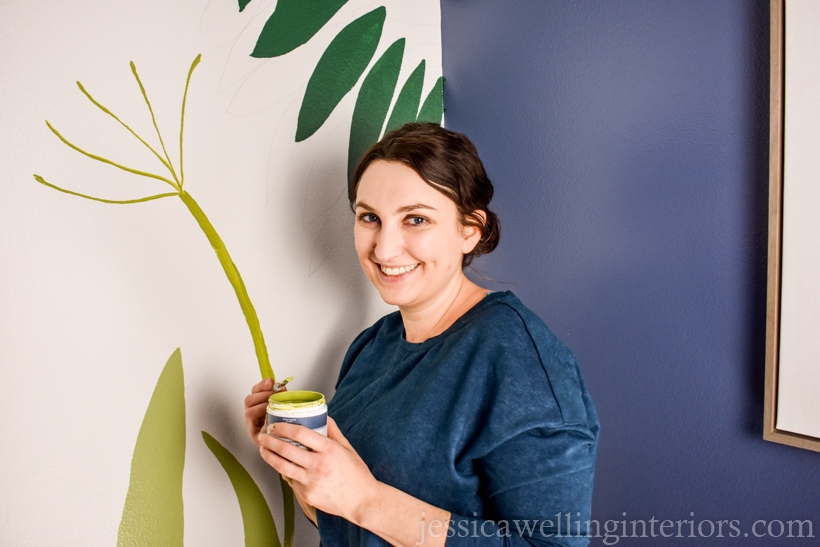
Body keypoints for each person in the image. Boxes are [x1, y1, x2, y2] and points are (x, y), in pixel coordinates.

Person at [244, 123, 599, 546]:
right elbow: (348, 526)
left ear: (471, 229)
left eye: (416, 219)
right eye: (369, 217)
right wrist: (298, 464)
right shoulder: (372, 346)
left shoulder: (518, 360)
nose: (384, 248)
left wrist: (365, 500)